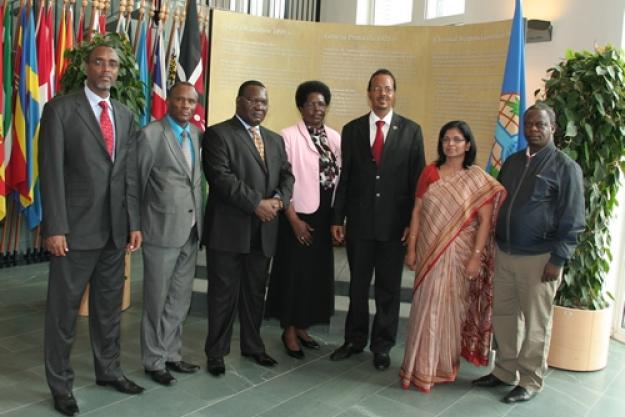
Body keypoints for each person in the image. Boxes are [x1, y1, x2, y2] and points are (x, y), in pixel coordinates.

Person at [39, 43, 143, 417]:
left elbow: (128, 173)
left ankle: (109, 370)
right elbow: (50, 172)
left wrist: (134, 222)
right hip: (73, 233)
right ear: (86, 66)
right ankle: (61, 385)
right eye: (98, 62)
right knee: (62, 314)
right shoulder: (60, 110)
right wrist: (56, 228)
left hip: (115, 233)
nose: (105, 69)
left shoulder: (125, 114)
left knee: (108, 310)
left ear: (118, 71)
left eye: (112, 64)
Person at [472, 103, 585, 403]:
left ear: (553, 128)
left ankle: (530, 380)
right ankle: (505, 371)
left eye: (541, 125)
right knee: (505, 316)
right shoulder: (511, 162)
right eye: (529, 124)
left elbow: (574, 220)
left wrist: (557, 259)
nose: (533, 129)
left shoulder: (566, 168)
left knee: (536, 323)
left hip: (540, 259)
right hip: (506, 253)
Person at [399, 121, 506, 393]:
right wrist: (411, 248)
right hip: (428, 251)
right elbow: (417, 211)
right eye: (446, 139)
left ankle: (441, 367)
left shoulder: (476, 179)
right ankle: (418, 366)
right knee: (425, 306)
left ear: (468, 144)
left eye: (457, 139)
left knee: (449, 310)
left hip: (459, 254)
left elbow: (484, 222)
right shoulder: (430, 173)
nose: (451, 144)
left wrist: (476, 258)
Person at [330, 68, 426, 370]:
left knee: (388, 289)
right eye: (376, 88)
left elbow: (417, 184)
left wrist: (414, 225)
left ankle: (382, 346)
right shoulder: (353, 129)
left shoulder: (411, 131)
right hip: (359, 225)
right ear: (368, 92)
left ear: (394, 93)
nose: (382, 94)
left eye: (388, 89)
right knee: (357, 287)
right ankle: (354, 340)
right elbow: (345, 178)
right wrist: (337, 217)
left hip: (394, 227)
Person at [202, 80, 295, 376]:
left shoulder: (274, 139)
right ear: (239, 101)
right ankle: (216, 353)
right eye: (254, 101)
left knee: (255, 293)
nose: (260, 107)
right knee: (222, 294)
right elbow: (221, 178)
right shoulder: (218, 134)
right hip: (229, 231)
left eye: (264, 103)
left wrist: (279, 201)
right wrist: (257, 203)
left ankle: (253, 347)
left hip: (264, 232)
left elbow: (287, 176)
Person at [265, 81, 341, 358]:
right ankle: (288, 330)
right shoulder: (286, 137)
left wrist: (337, 218)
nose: (316, 108)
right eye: (310, 103)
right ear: (300, 106)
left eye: (321, 103)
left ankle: (303, 326)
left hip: (323, 216)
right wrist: (293, 217)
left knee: (314, 276)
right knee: (294, 274)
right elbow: (280, 180)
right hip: (296, 215)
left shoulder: (334, 137)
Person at [137, 82, 202, 386]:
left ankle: (172, 353)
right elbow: (137, 183)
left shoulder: (196, 135)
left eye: (191, 101)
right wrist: (135, 225)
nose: (186, 106)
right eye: (180, 100)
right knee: (156, 299)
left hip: (190, 230)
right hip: (160, 230)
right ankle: (153, 360)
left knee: (179, 298)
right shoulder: (151, 134)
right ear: (169, 101)